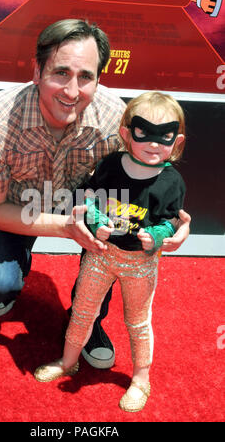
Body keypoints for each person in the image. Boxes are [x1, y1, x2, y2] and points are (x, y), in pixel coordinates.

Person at [0, 19, 191, 371]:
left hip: (91, 210)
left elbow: (151, 181)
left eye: (85, 76)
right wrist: (65, 226)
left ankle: (89, 321)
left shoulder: (118, 120)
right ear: (36, 71)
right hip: (14, 208)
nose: (72, 90)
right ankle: (11, 263)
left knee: (118, 239)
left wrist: (172, 225)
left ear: (99, 78)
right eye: (61, 73)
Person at [34, 91, 187, 413]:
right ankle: (68, 360)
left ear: (177, 140)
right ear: (126, 133)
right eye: (145, 133)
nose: (155, 144)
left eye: (166, 136)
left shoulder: (172, 180)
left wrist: (159, 234)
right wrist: (96, 219)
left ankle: (141, 379)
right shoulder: (110, 165)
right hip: (101, 255)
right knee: (82, 311)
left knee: (138, 322)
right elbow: (89, 198)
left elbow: (174, 218)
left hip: (140, 264)